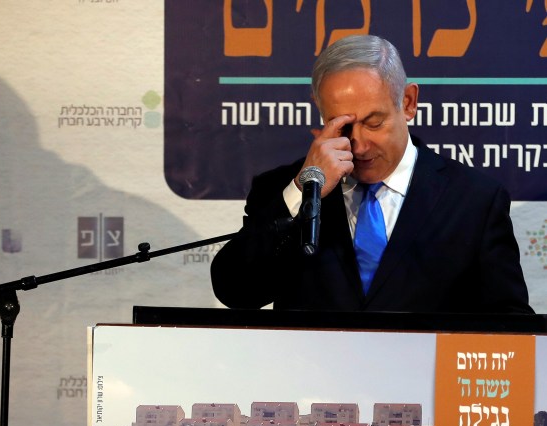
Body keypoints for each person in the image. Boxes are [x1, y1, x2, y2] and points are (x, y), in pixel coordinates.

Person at [210, 34, 533, 314]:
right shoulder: (280, 189)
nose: (359, 145)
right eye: (343, 125)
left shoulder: (474, 199)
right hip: (310, 382)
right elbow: (237, 293)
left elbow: (508, 319)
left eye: (374, 122)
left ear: (408, 102)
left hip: (425, 381)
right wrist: (304, 190)